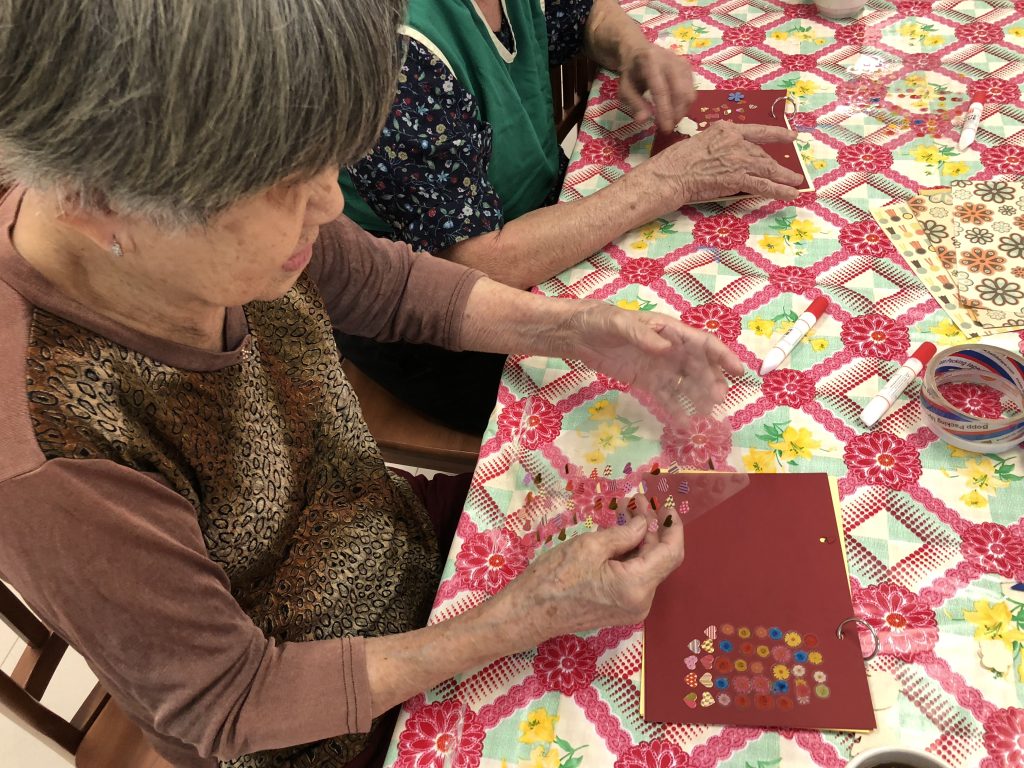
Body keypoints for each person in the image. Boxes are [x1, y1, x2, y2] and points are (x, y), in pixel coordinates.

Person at [0, 2, 750, 767]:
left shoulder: (193, 217)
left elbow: (391, 285)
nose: (329, 203)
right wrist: (520, 618)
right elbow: (228, 701)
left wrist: (575, 328)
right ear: (99, 206)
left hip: (400, 556)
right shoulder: (46, 451)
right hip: (317, 730)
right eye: (288, 184)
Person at [338, 0, 807, 433]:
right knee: (665, 413)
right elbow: (478, 262)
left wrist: (633, 50)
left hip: (541, 222)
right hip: (441, 318)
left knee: (722, 302)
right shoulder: (395, 47)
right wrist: (669, 180)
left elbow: (589, 14)